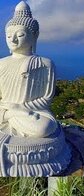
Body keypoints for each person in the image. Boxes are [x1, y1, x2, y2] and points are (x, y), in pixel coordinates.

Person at [0, 1, 58, 138]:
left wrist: (22, 108)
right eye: (8, 36)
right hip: (7, 109)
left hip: (32, 113)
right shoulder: (1, 63)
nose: (13, 40)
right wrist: (10, 110)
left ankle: (11, 116)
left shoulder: (45, 63)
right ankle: (10, 115)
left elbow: (47, 98)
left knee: (43, 128)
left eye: (20, 35)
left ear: (34, 36)